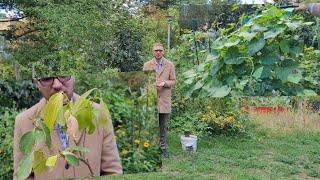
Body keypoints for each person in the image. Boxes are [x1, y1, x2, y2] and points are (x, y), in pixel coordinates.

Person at [13, 75, 123, 179]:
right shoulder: (24, 121)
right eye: (46, 78)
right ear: (37, 83)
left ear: (74, 76)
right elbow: (23, 176)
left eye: (63, 75)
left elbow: (112, 172)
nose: (57, 85)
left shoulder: (99, 113)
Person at [143, 43, 176, 158]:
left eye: (160, 50)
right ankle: (151, 147)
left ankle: (162, 147)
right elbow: (144, 82)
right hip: (151, 100)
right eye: (156, 50)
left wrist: (165, 83)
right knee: (151, 125)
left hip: (164, 100)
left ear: (163, 51)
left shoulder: (170, 65)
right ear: (152, 52)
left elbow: (174, 81)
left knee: (162, 125)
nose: (158, 53)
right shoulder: (147, 65)